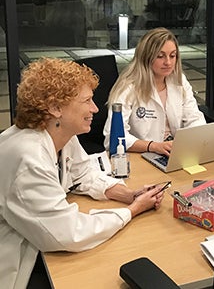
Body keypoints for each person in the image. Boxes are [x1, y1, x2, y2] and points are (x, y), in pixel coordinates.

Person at [0, 58, 164, 289]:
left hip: (36, 239)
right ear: (55, 108)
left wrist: (128, 194)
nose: (95, 109)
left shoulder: (59, 134)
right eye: (86, 101)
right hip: (19, 262)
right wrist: (132, 210)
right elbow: (68, 233)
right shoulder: (28, 157)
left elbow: (84, 174)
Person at [104, 28, 206, 155]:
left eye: (172, 56)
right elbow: (113, 138)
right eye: (160, 56)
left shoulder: (179, 81)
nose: (168, 62)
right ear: (146, 58)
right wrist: (153, 146)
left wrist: (196, 138)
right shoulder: (128, 87)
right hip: (142, 154)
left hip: (174, 151)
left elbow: (194, 118)